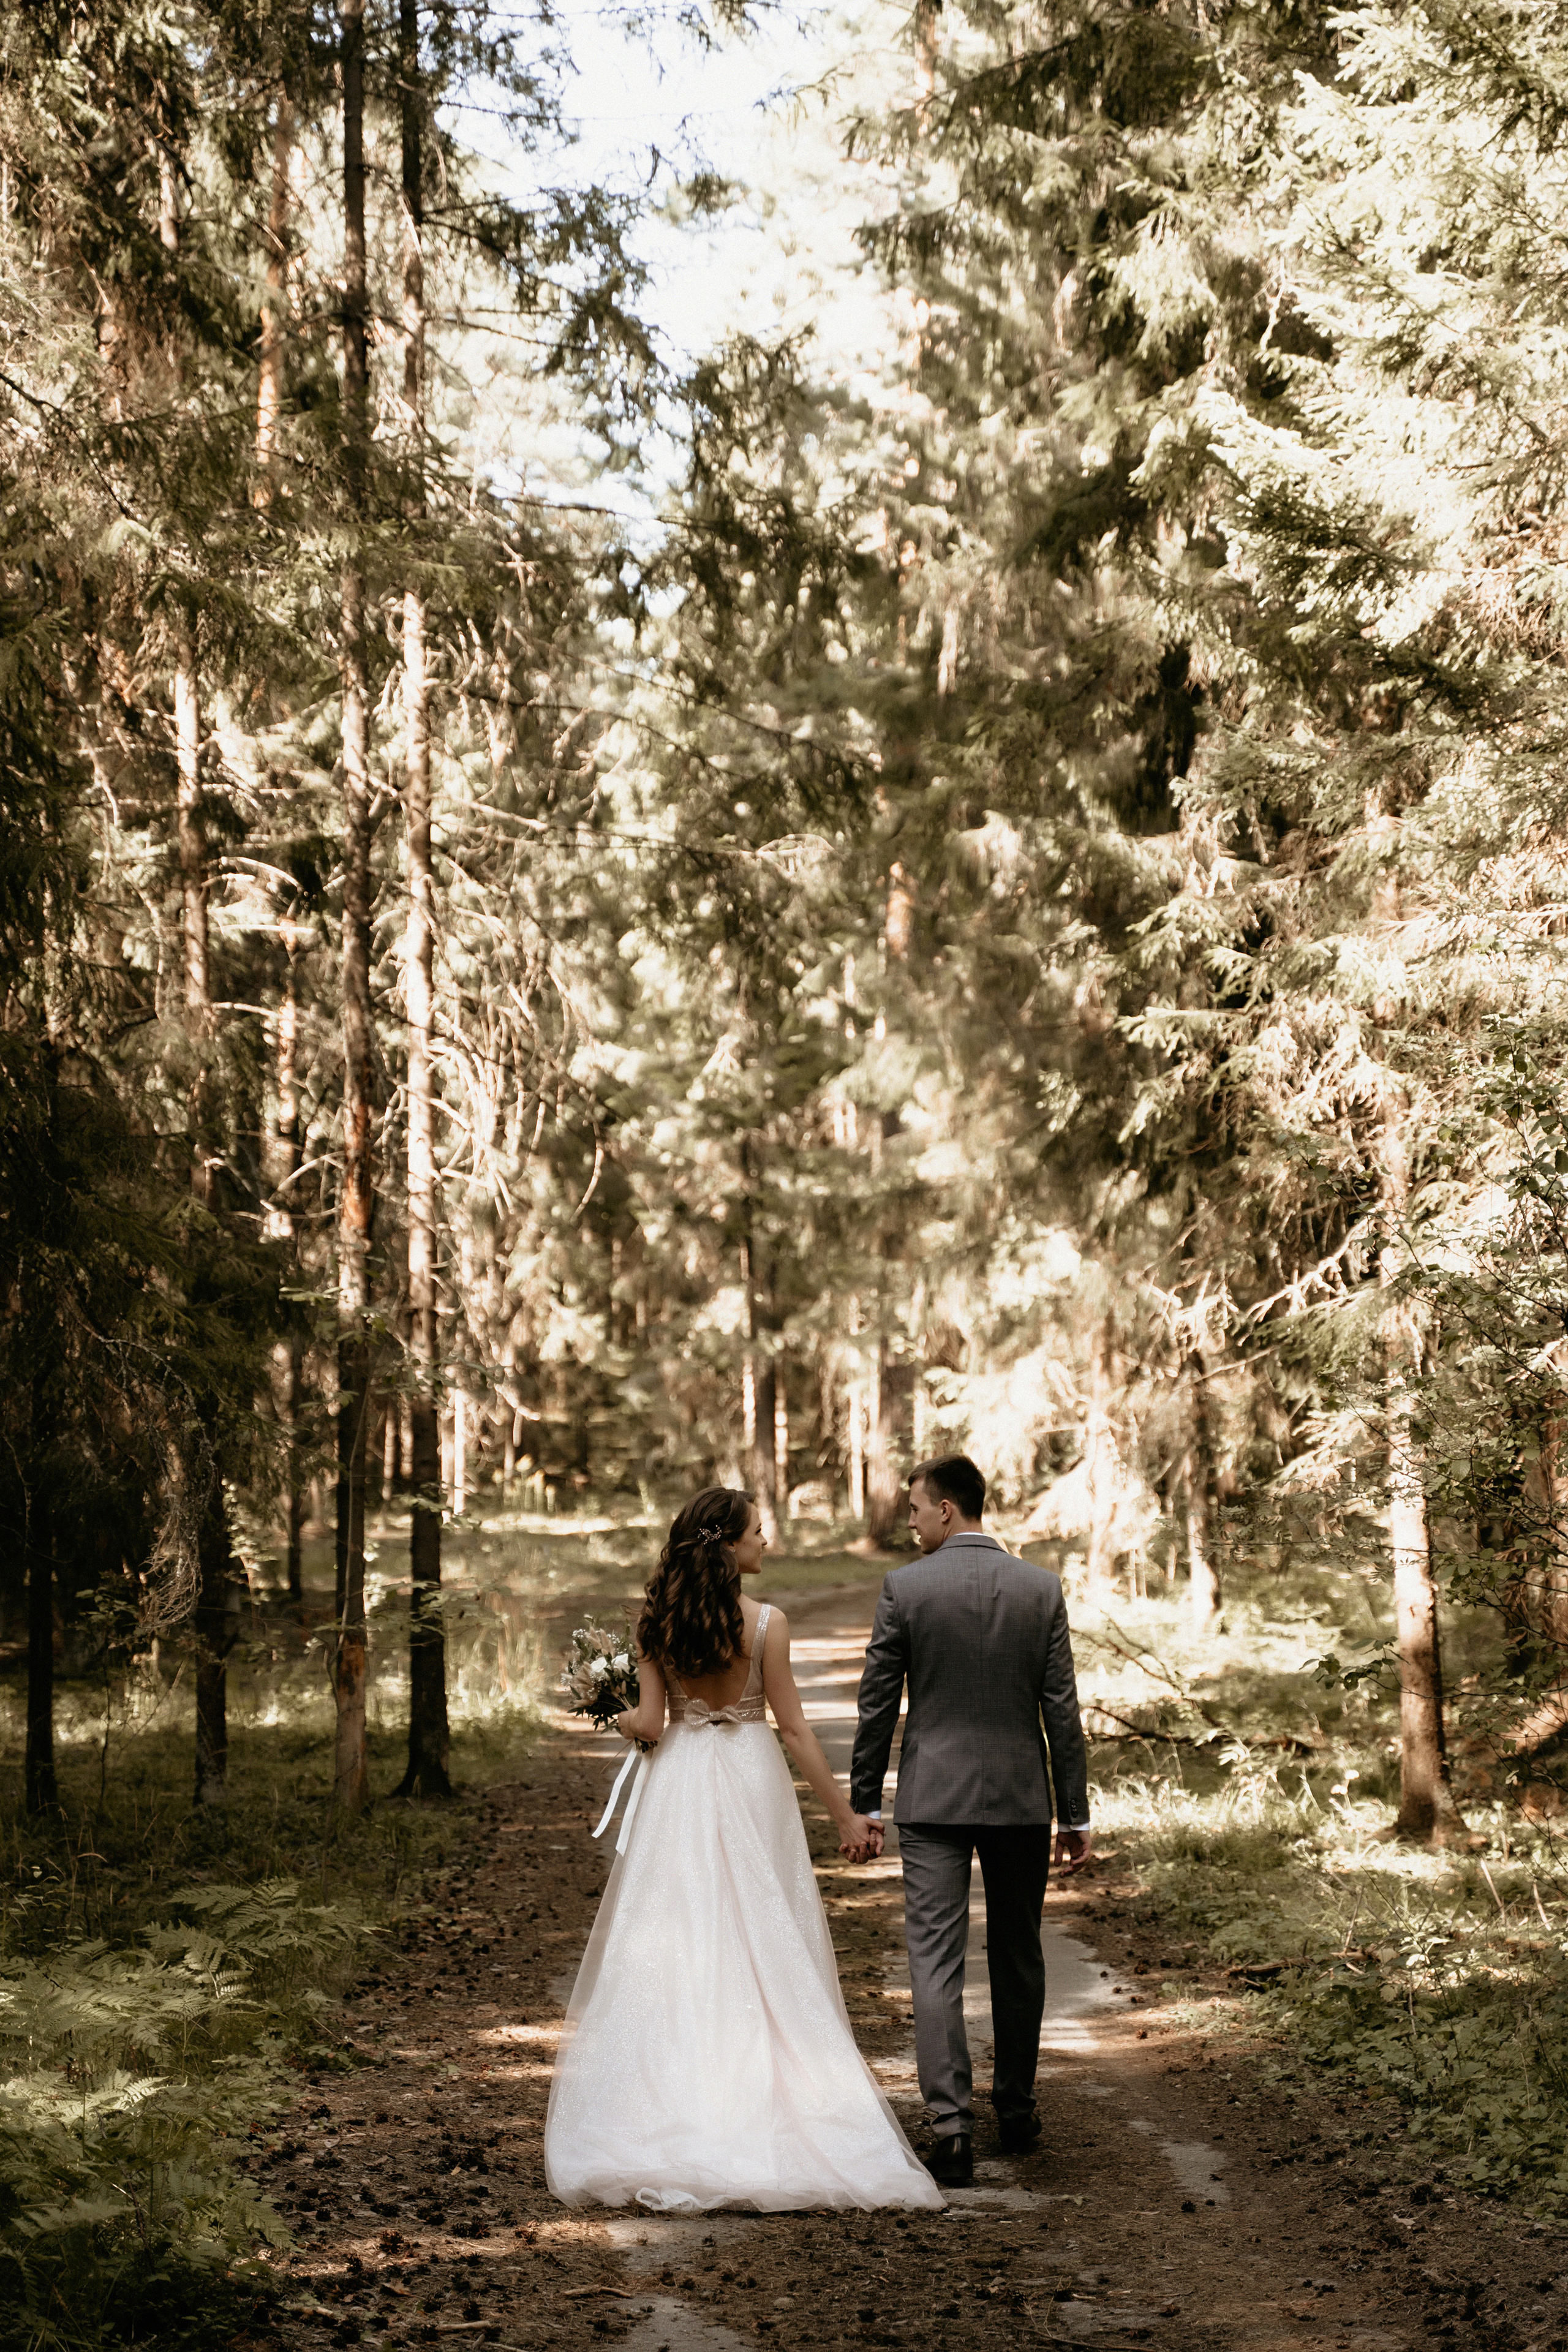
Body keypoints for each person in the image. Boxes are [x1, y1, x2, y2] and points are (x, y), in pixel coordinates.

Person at [544, 1485, 944, 2213]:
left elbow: (655, 1726)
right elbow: (792, 1731)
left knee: (684, 1937)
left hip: (682, 1784)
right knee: (764, 1927)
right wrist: (847, 1817)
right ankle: (766, 2100)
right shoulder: (768, 1625)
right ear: (727, 1543)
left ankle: (674, 2104)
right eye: (759, 1532)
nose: (768, 1542)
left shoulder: (658, 1621)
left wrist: (608, 1703)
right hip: (751, 1776)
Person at [850, 1453, 1092, 2188]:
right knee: (1019, 1954)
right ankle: (1014, 2112)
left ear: (948, 1509)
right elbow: (1061, 1709)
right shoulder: (1039, 1589)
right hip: (1021, 1799)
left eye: (917, 1509)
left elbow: (876, 1703)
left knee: (934, 1959)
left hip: (933, 1801)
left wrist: (866, 1800)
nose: (912, 1522)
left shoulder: (906, 1589)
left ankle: (951, 2129)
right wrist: (1073, 1810)